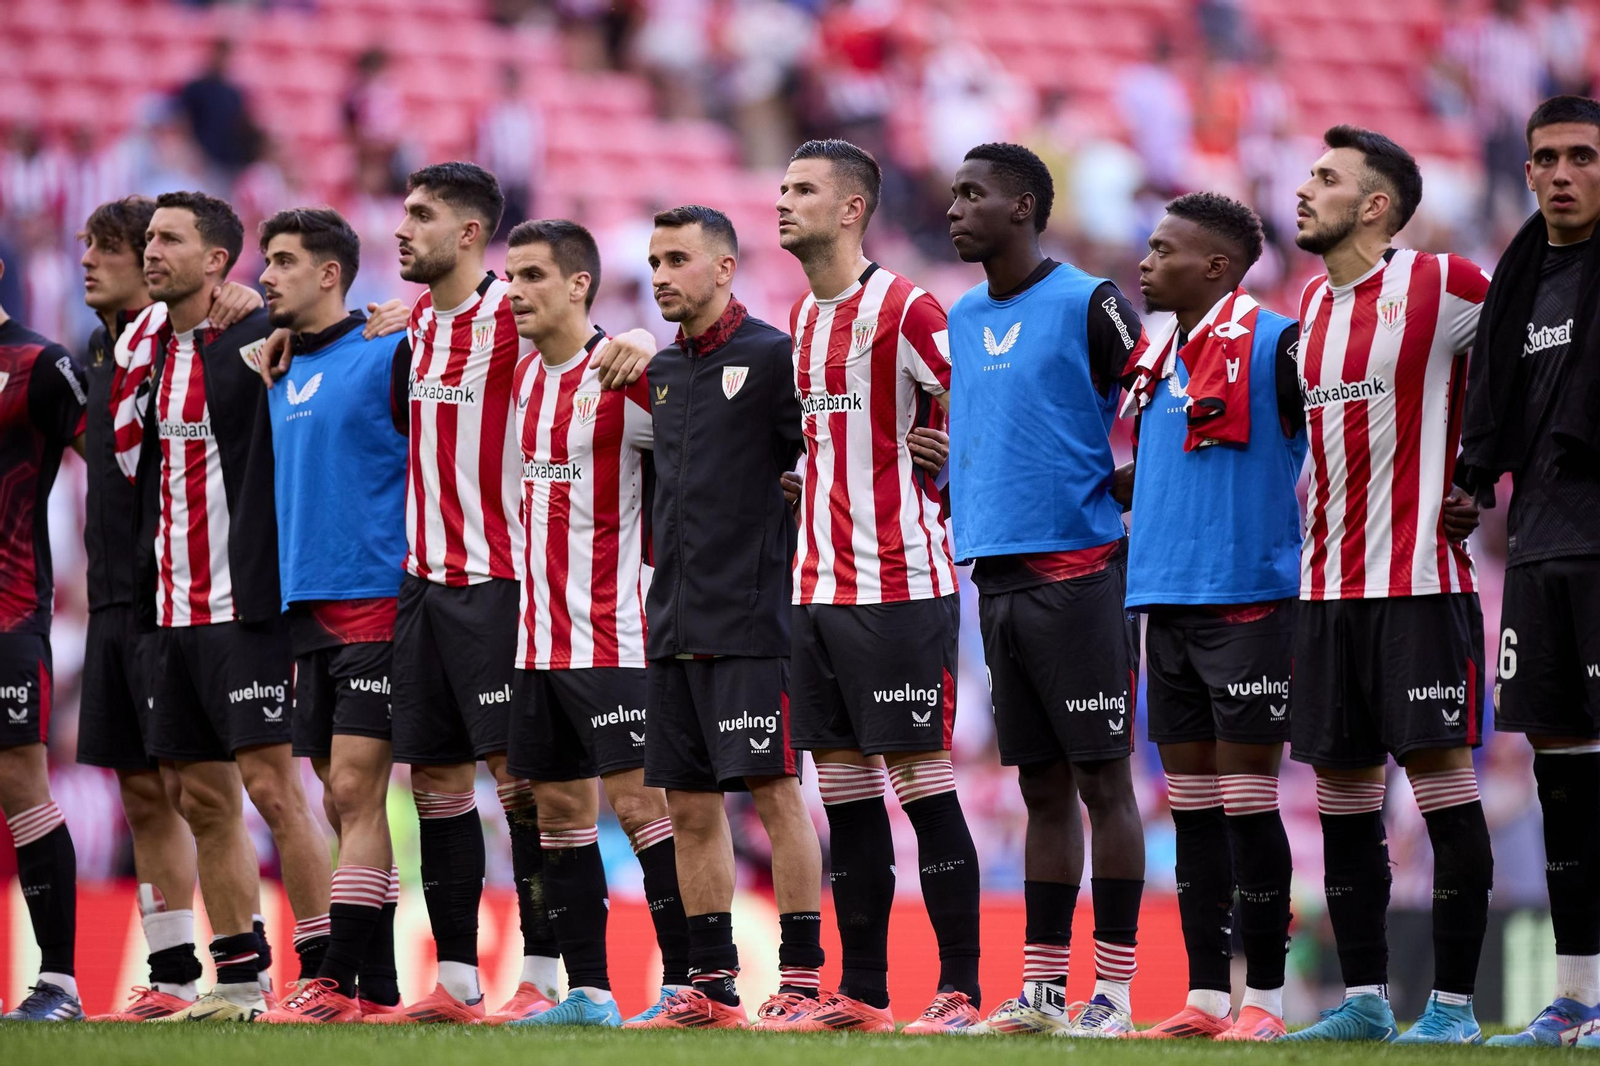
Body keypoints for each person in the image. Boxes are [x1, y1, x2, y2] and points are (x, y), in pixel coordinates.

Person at [256, 163, 656, 1026]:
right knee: (434, 783)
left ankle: (554, 975)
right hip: (421, 585)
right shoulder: (405, 333)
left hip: (502, 582)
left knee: (530, 786)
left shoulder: (510, 319)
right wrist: (265, 335)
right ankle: (461, 981)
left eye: (423, 215)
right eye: (403, 211)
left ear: (471, 235)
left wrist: (647, 343)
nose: (401, 229)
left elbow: (592, 344)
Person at [1280, 126, 1492, 1045]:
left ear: (1375, 206)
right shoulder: (1311, 311)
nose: (1303, 188)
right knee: (1344, 804)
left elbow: (1538, 366)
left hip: (1419, 586)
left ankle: (1451, 1006)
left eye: (1325, 178)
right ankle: (1364, 999)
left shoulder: (1445, 286)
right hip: (1325, 595)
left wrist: (1486, 474)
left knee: (1444, 789)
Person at [772, 138, 981, 1033]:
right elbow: (837, 442)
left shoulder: (905, 306)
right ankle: (859, 993)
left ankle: (963, 991)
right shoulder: (803, 317)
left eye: (804, 189)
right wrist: (810, 478)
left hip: (899, 585)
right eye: (783, 188)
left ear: (852, 209)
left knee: (922, 783)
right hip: (817, 587)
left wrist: (952, 455)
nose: (784, 201)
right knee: (847, 793)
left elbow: (977, 407)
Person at [111, 192, 330, 1023]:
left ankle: (326, 970)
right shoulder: (140, 350)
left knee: (275, 791)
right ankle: (239, 980)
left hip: (246, 607)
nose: (149, 249)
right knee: (201, 798)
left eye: (169, 239)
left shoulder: (254, 340)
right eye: (149, 237)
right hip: (168, 608)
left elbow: (347, 332)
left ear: (216, 261)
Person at [944, 142, 1146, 1037]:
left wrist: (1140, 483)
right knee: (1041, 788)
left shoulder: (1089, 300)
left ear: (1022, 207)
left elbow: (1161, 395)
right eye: (952, 194)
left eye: (973, 194)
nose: (954, 208)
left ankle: (1116, 993)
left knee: (1105, 781)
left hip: (1081, 573)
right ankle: (1042, 992)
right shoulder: (959, 315)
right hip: (996, 578)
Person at [627, 205, 824, 1030]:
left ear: (724, 268)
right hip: (670, 624)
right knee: (691, 807)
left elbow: (823, 461)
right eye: (654, 261)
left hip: (753, 623)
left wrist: (801, 495)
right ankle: (708, 986)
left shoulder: (776, 358)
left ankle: (805, 981)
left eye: (677, 259)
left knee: (776, 796)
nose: (661, 274)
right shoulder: (663, 372)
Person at [1118, 193, 1304, 1041]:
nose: (1146, 262)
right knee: (1191, 808)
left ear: (1217, 267)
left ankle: (1264, 999)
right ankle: (1203, 996)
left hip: (1248, 603)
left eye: (1163, 250)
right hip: (1166, 603)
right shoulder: (1159, 357)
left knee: (1246, 802)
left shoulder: (1279, 345)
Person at [74, 195, 264, 1022]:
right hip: (118, 601)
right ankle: (174, 973)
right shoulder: (97, 353)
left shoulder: (209, 339)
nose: (95, 259)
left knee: (212, 791)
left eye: (108, 247)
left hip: (191, 595)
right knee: (146, 796)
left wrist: (249, 301)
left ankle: (254, 972)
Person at [497, 219, 691, 1029]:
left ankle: (688, 986)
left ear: (579, 285)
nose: (513, 291)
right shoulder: (524, 380)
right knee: (557, 816)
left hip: (614, 637)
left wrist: (649, 342)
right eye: (510, 276)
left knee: (645, 811)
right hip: (536, 639)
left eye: (533, 276)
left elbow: (708, 445)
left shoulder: (627, 375)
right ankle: (590, 993)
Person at [1459, 94, 1600, 1048]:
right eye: (1545, 158)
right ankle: (1578, 997)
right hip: (1541, 546)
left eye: (1583, 157)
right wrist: (1473, 477)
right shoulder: (1521, 277)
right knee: (1564, 783)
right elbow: (1492, 406)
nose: (1561, 173)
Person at [249, 208, 409, 1024]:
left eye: (281, 261)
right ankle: (375, 991)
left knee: (353, 787)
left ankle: (336, 982)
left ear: (330, 274)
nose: (265, 276)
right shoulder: (272, 366)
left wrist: (418, 315)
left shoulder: (390, 351)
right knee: (339, 795)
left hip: (379, 599)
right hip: (303, 606)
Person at [0, 258, 88, 1022]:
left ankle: (58, 983)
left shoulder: (41, 365)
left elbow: (122, 476)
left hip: (9, 610)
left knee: (20, 784)